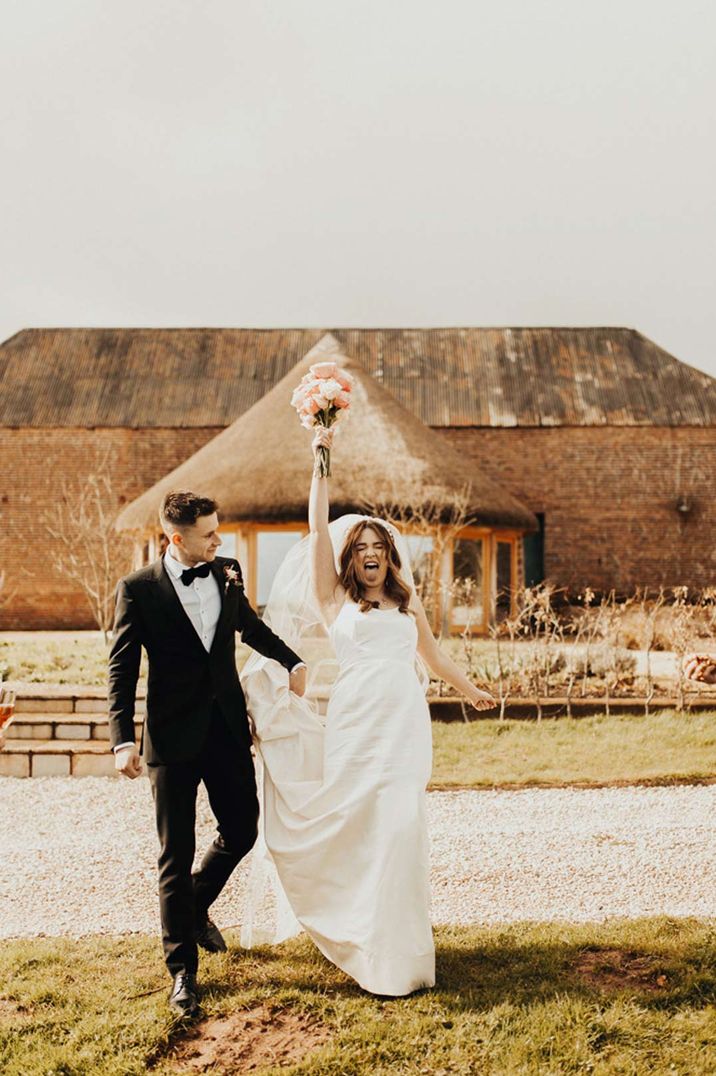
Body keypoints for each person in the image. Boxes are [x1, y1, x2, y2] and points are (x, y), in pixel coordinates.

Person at [240, 426, 495, 997]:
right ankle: (360, 936)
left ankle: (401, 949)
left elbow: (434, 656)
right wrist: (320, 462)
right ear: (352, 559)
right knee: (359, 823)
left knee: (401, 826)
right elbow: (315, 530)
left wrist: (470, 689)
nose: (373, 558)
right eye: (364, 551)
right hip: (355, 726)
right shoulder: (334, 601)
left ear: (391, 560)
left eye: (380, 552)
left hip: (404, 726)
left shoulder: (407, 607)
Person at [108, 491, 306, 1017]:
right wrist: (122, 737)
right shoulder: (137, 590)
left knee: (242, 827)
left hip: (224, 729)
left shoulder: (226, 573)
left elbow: (249, 626)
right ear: (177, 538)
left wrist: (292, 661)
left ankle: (193, 908)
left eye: (219, 531)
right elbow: (122, 667)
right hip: (170, 740)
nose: (219, 540)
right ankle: (181, 975)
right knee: (174, 855)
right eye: (209, 534)